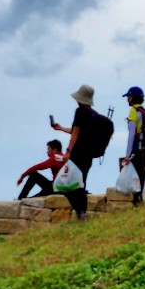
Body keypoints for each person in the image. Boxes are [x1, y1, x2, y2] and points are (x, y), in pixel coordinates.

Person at [51, 84, 97, 220]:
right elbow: (77, 131)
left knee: (68, 185)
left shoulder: (80, 111)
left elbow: (76, 132)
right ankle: (82, 213)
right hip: (89, 155)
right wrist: (60, 128)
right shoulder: (92, 114)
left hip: (78, 154)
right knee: (81, 183)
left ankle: (80, 212)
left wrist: (68, 151)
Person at [121, 86, 145, 206]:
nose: (127, 99)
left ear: (133, 97)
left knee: (136, 178)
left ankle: (138, 203)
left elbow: (131, 134)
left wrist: (127, 155)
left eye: (129, 97)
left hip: (138, 150)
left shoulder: (133, 111)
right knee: (143, 175)